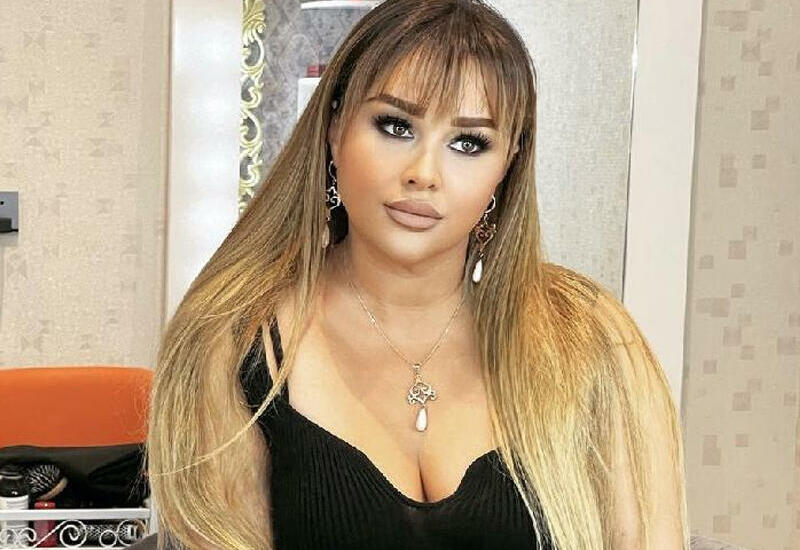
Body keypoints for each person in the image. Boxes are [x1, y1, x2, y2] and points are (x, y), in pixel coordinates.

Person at [140, 1, 690, 548]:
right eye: (396, 126)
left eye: (468, 143)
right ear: (335, 129)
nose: (424, 174)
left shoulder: (590, 340)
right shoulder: (235, 340)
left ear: (508, 165)